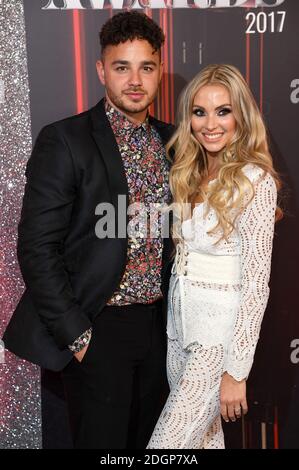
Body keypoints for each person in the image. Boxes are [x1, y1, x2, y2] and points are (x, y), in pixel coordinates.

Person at [3, 11, 174, 449]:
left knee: (154, 446)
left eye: (146, 67)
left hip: (163, 330)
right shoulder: (65, 140)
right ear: (101, 70)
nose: (135, 80)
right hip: (99, 327)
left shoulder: (175, 142)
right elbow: (37, 247)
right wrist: (79, 338)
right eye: (122, 67)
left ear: (158, 70)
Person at [147, 64, 282, 449]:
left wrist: (236, 371)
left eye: (223, 110)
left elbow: (257, 284)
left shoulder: (256, 181)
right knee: (202, 443)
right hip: (178, 333)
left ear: (241, 115)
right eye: (199, 111)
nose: (211, 123)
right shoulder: (188, 173)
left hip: (215, 344)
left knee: (164, 448)